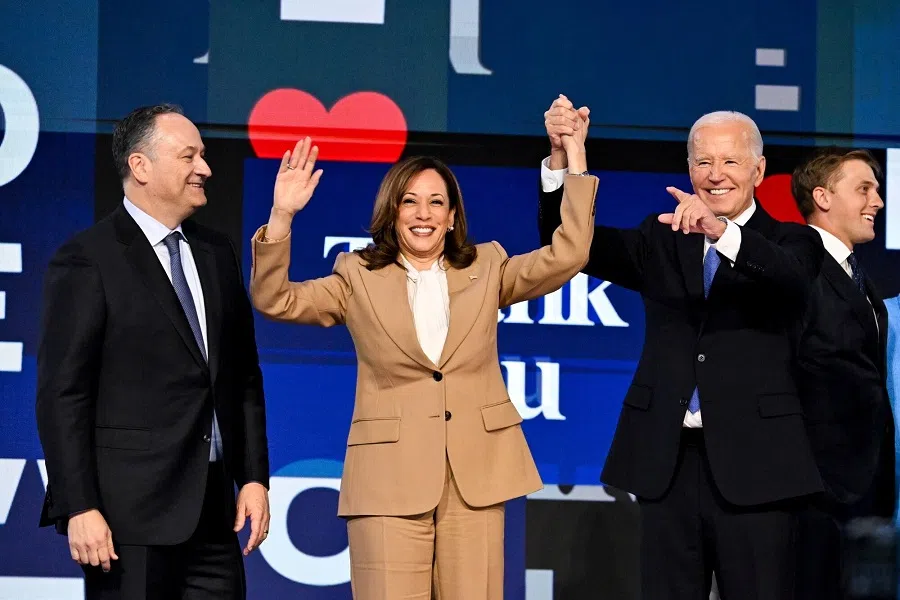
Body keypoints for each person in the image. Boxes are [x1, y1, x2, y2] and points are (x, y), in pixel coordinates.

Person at [249, 111, 597, 599]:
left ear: (453, 215)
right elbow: (274, 299)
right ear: (392, 212)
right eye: (410, 202)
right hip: (387, 483)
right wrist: (282, 216)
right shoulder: (356, 276)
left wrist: (573, 156)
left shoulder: (488, 266)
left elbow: (570, 254)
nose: (423, 214)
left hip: (473, 480)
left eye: (437, 203)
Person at [538, 98, 825, 599]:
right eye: (703, 162)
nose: (716, 175)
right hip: (668, 464)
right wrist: (566, 157)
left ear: (759, 169)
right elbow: (569, 246)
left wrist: (722, 232)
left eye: (730, 161)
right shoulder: (661, 236)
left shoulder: (793, 242)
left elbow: (790, 281)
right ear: (688, 168)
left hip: (758, 467)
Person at [36, 104, 270, 600]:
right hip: (126, 524)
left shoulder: (216, 252)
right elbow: (63, 395)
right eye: (189, 156)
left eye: (203, 155)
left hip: (213, 517)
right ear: (140, 166)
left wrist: (252, 478)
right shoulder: (87, 259)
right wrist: (80, 507)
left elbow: (242, 377)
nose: (205, 168)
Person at [789, 148, 895, 599]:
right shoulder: (796, 264)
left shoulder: (859, 278)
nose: (878, 202)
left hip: (861, 494)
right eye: (864, 189)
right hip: (813, 492)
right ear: (823, 197)